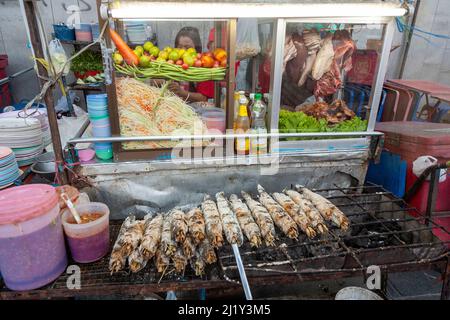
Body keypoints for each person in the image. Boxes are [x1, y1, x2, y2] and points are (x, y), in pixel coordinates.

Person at [168, 27, 214, 103]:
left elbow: (203, 98)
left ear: (196, 49)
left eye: (187, 47)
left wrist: (182, 93)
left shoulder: (203, 65)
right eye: (180, 47)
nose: (183, 51)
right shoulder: (172, 63)